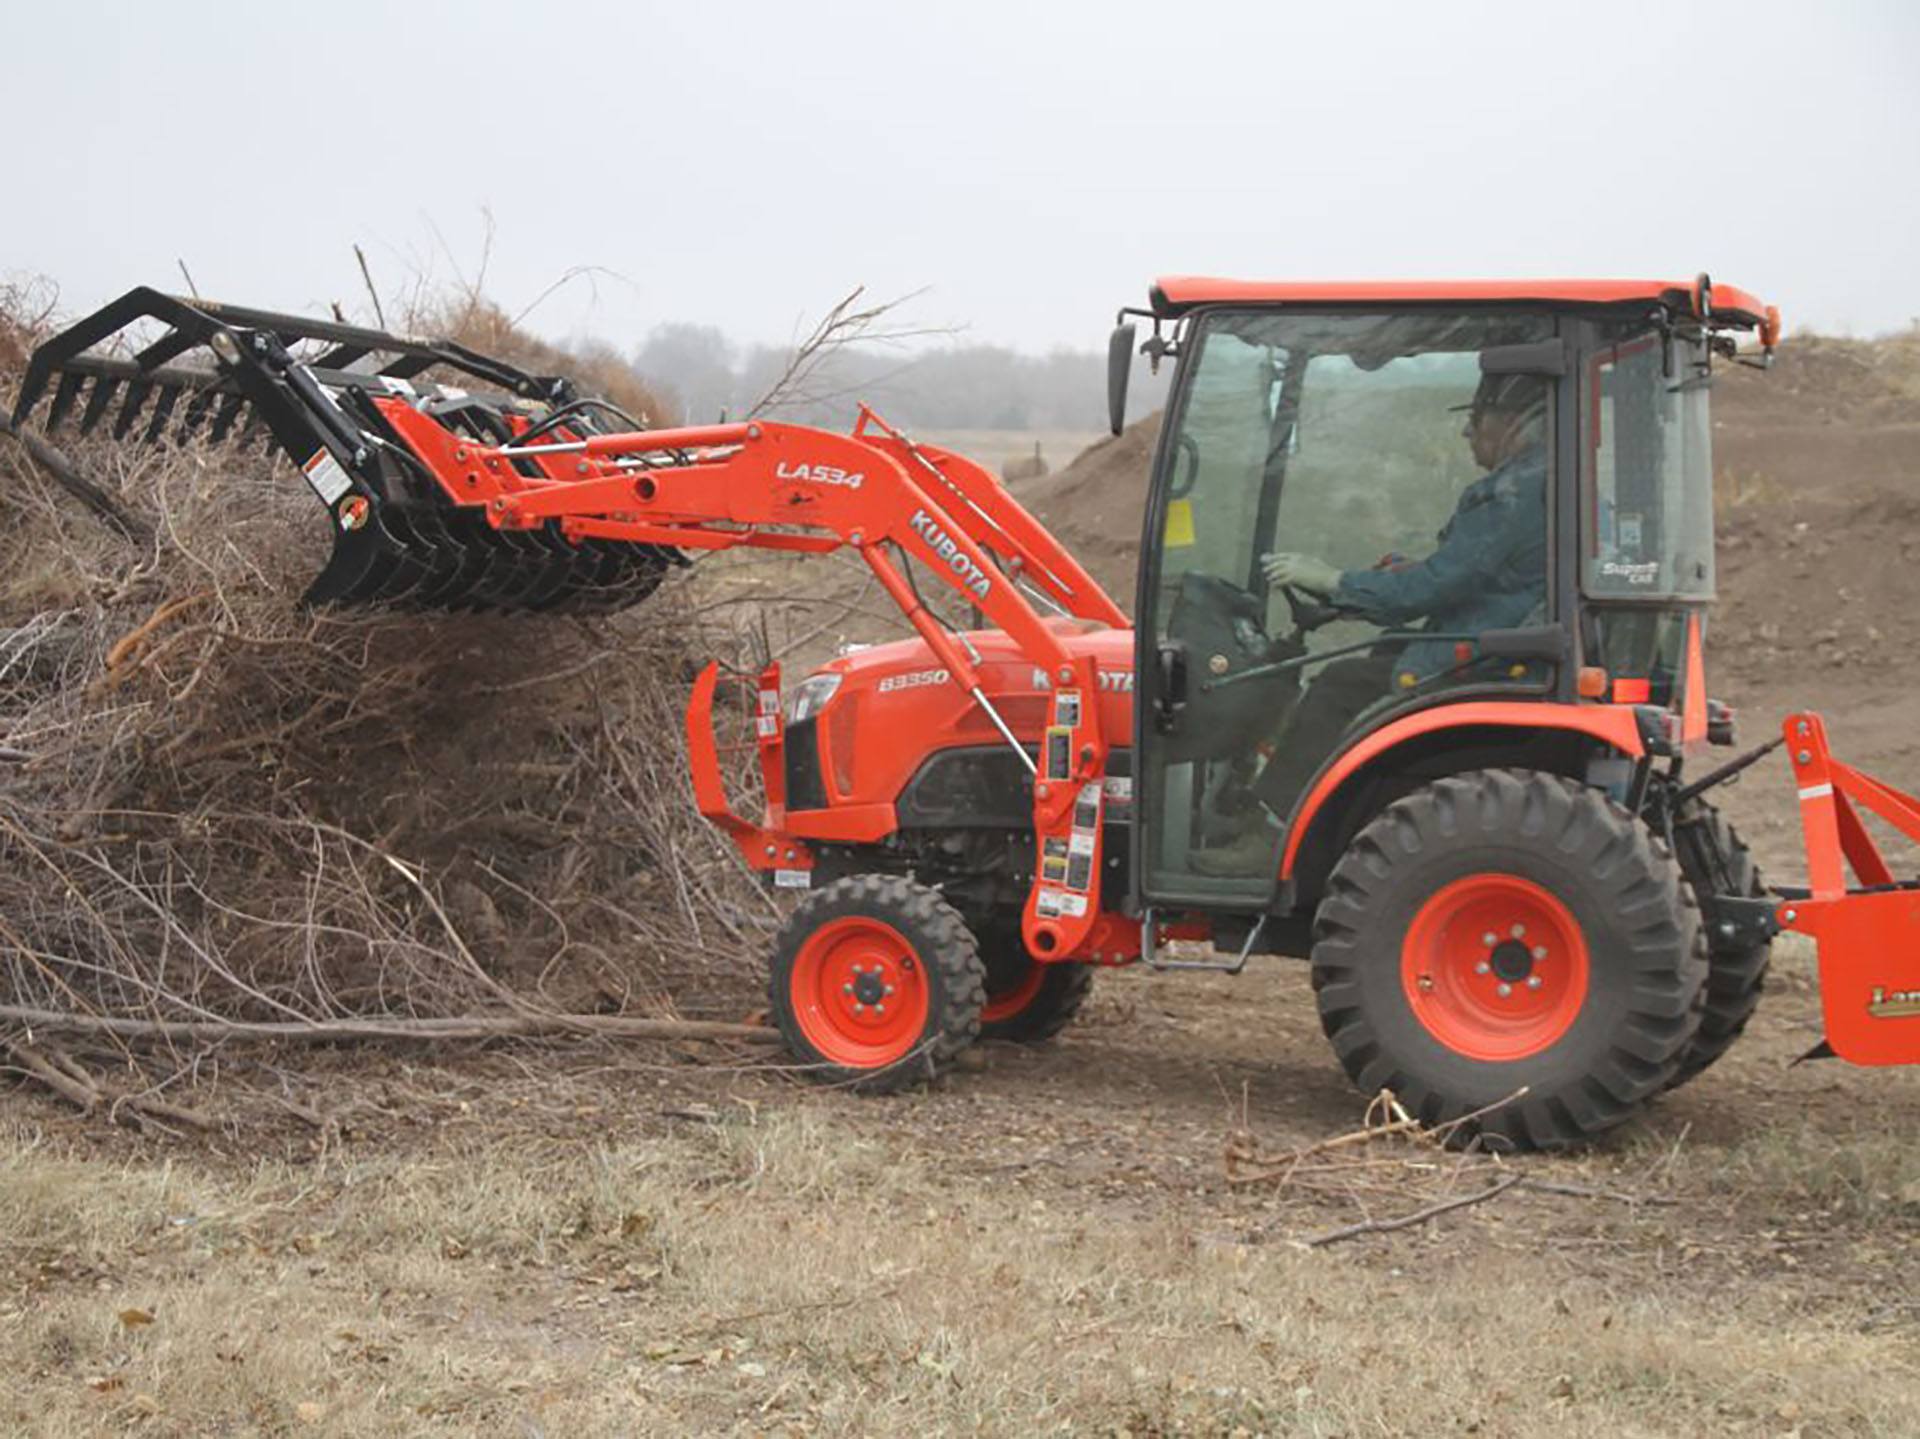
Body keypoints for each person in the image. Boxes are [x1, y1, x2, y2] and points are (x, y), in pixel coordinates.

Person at [1192, 370, 1550, 876]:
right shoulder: (1542, 484)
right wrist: (1398, 575)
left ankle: (1271, 835)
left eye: (1475, 418)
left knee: (1338, 686)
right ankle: (1272, 818)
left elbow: (1433, 589)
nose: (1468, 433)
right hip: (1497, 645)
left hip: (1483, 660)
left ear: (1512, 421)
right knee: (1370, 665)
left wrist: (1334, 580)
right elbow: (1472, 577)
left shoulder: (1514, 493)